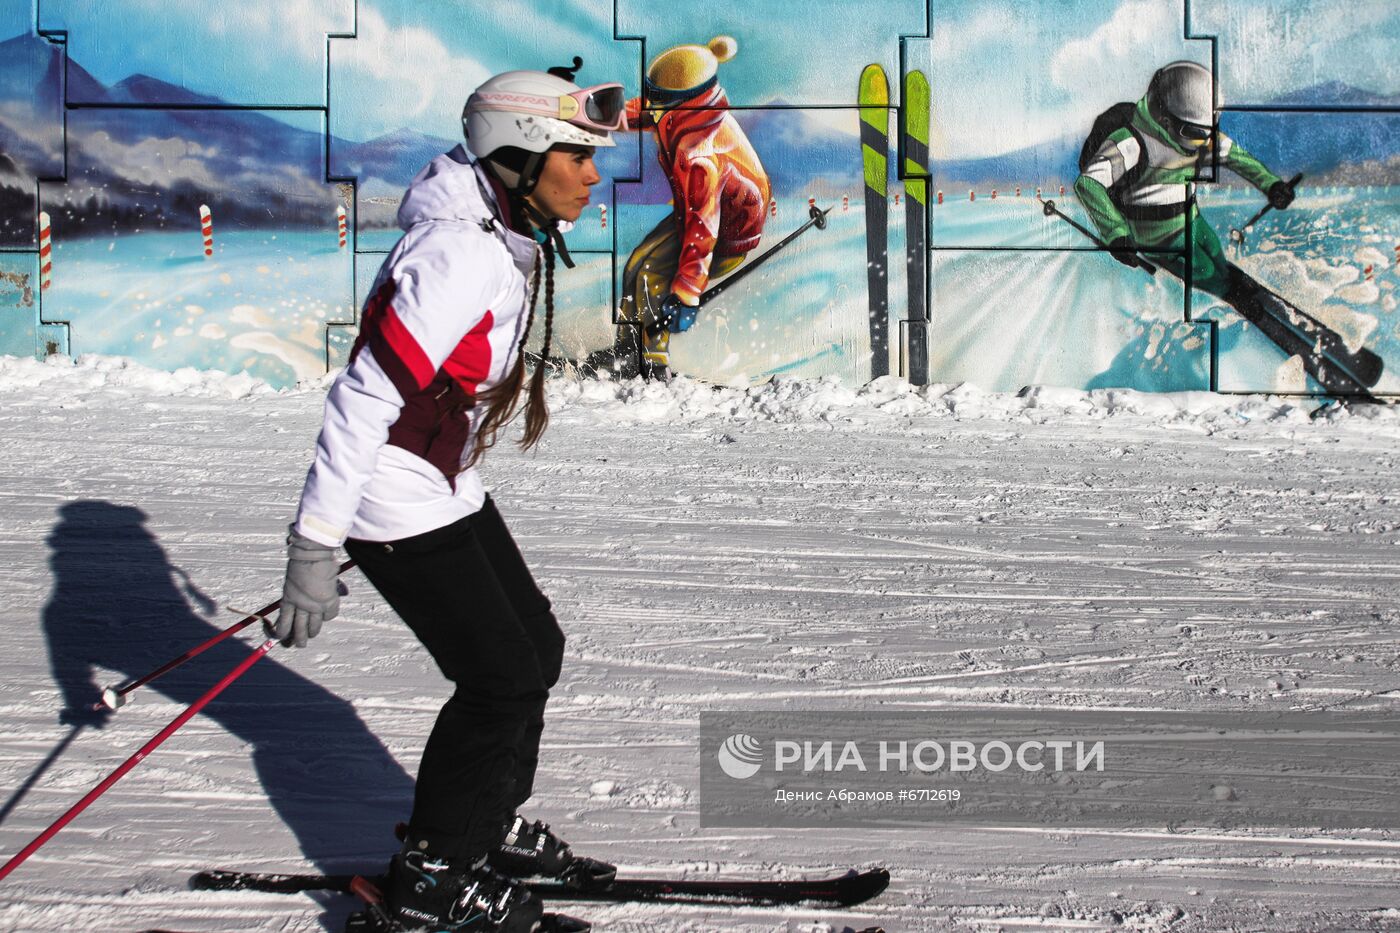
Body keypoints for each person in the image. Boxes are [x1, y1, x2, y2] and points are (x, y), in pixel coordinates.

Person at [271, 60, 625, 933]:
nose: (591, 174)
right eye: (576, 155)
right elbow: (361, 395)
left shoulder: (495, 230)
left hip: (439, 474)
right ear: (519, 157)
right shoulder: (458, 251)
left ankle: (482, 827)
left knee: (533, 645)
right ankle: (432, 878)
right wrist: (315, 544)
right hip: (391, 491)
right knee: (498, 678)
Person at [605, 35, 771, 381]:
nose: (652, 103)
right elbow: (644, 112)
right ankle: (626, 347)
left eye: (659, 98)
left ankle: (652, 362)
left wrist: (687, 292)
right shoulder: (687, 112)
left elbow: (704, 228)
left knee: (653, 274)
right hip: (696, 216)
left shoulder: (700, 155)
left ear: (682, 102)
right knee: (636, 263)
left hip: (727, 234)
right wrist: (596, 114)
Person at [1075, 60, 1293, 302]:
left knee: (1214, 253)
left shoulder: (1198, 136)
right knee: (1203, 270)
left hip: (1192, 220)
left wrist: (1271, 184)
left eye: (1208, 131)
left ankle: (1229, 283)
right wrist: (1116, 234)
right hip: (1157, 236)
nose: (1203, 142)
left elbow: (1236, 157)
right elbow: (1089, 184)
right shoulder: (1132, 142)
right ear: (1166, 121)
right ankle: (1229, 291)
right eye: (1195, 134)